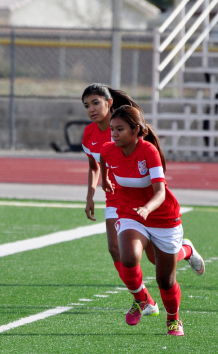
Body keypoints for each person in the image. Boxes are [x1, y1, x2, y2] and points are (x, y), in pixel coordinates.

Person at [81, 84, 204, 326]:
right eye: (86, 105)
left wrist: (148, 205)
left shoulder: (137, 137)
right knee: (118, 250)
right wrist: (92, 193)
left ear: (109, 103)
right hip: (119, 199)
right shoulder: (91, 135)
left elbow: (157, 182)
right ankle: (143, 299)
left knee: (157, 262)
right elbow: (97, 164)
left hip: (148, 204)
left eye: (96, 102)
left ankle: (186, 250)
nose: (91, 109)